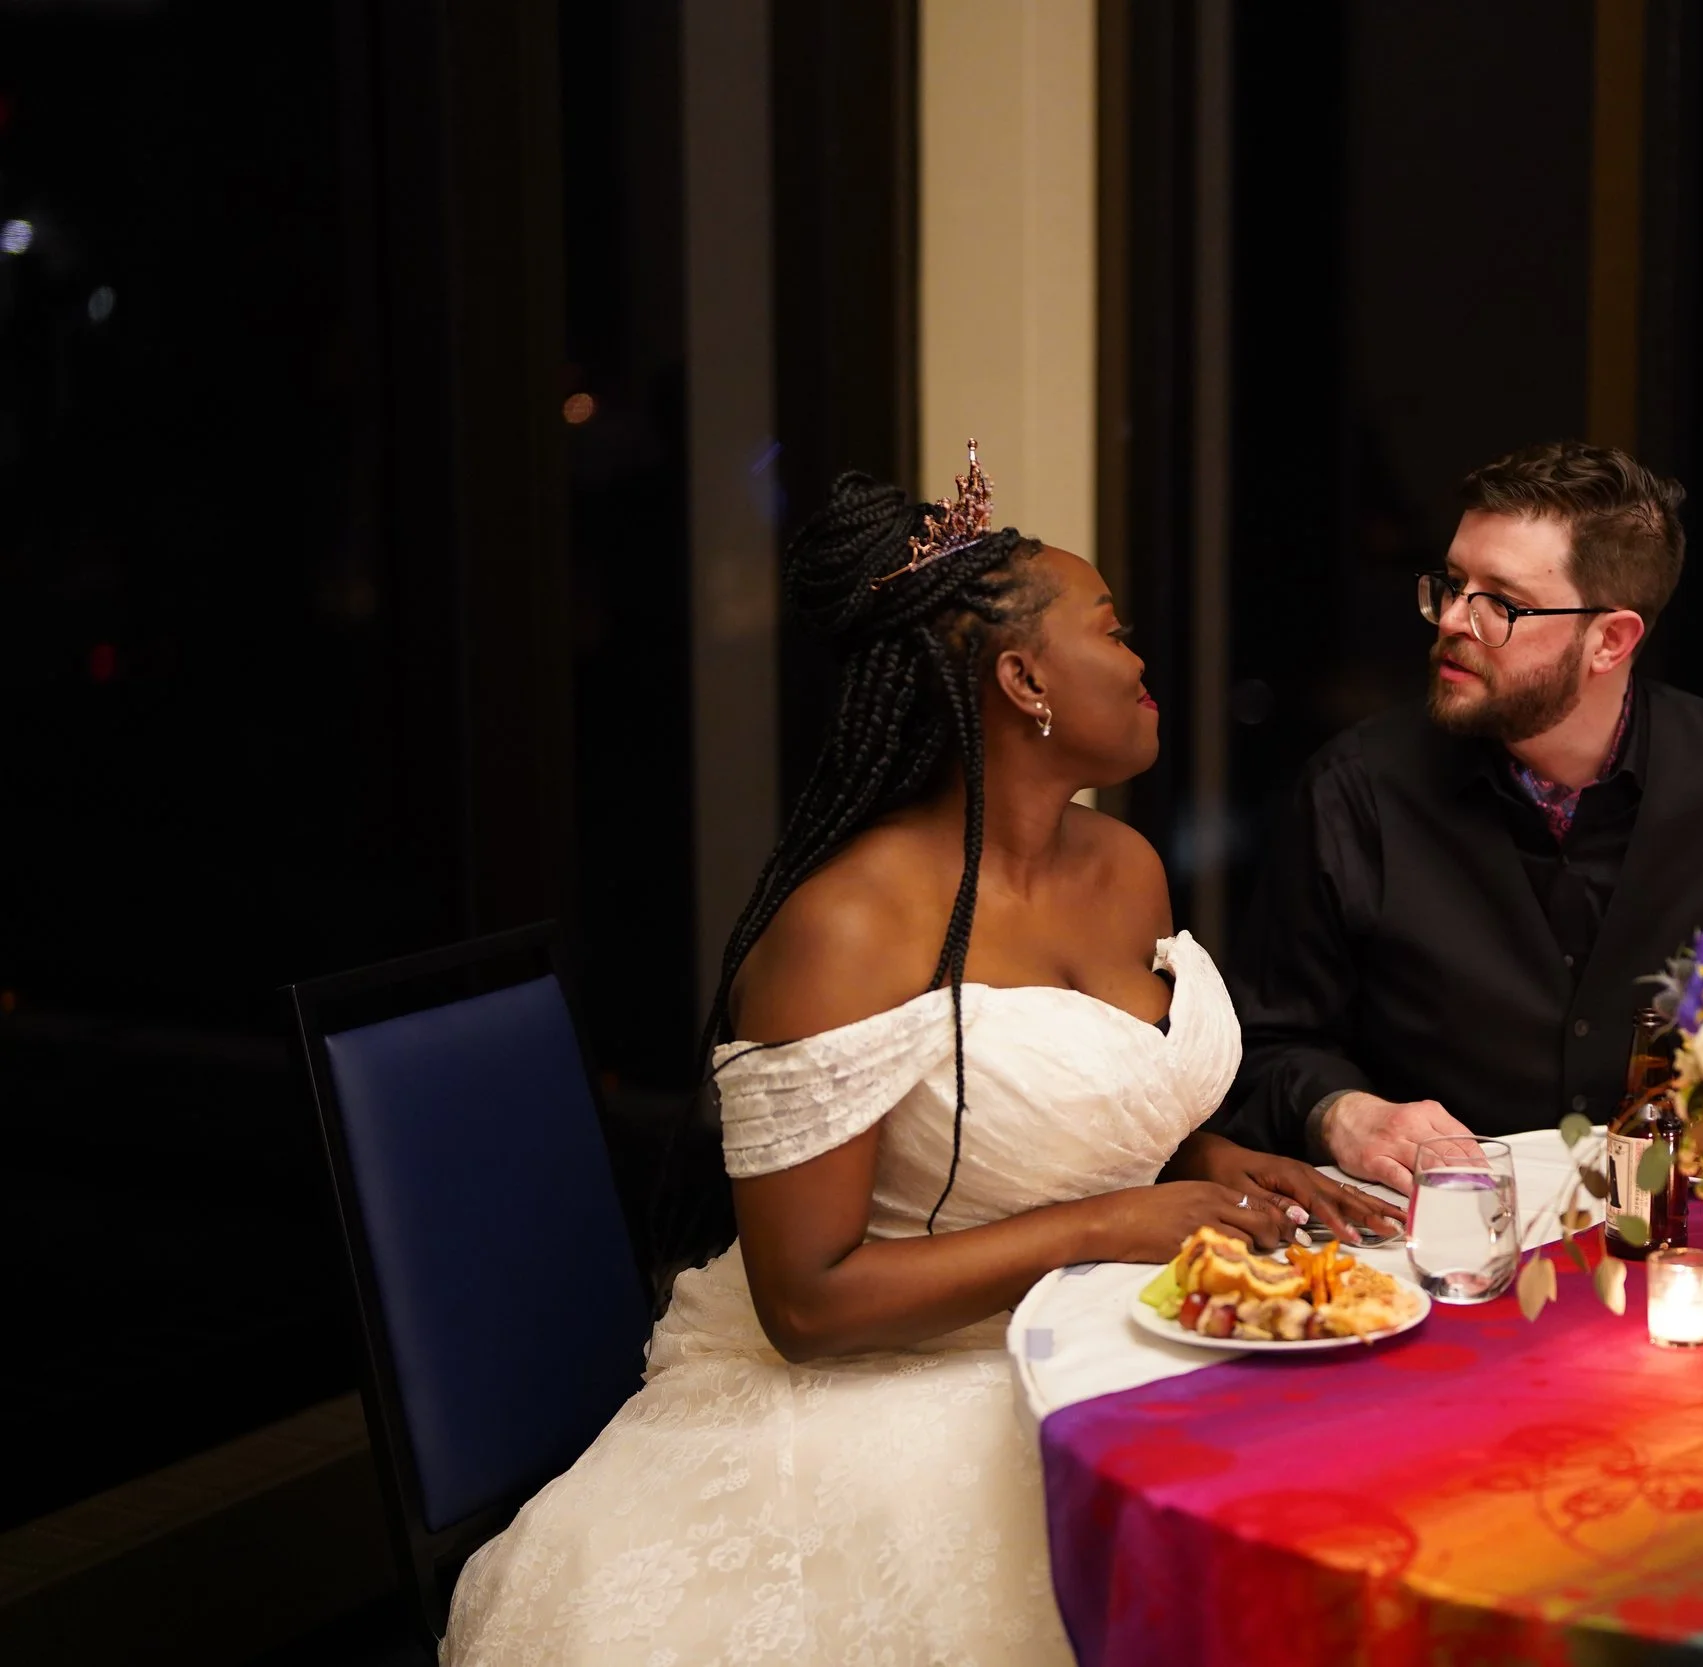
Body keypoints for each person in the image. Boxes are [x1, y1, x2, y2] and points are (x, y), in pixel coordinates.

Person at [442, 452, 1394, 1665]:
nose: (1145, 659)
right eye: (1114, 629)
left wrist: (1218, 1156)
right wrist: (1105, 1224)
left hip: (1105, 1321)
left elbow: (1081, 1100)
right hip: (883, 1384)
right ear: (1021, 677)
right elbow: (808, 1302)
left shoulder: (1126, 869)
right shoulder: (847, 928)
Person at [1216, 440, 1703, 1190]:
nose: (1449, 620)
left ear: (1611, 639)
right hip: (1430, 1245)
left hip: (1686, 1242)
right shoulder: (1353, 793)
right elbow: (1260, 1045)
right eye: (1449, 584)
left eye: (1499, 603)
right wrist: (1343, 1111)